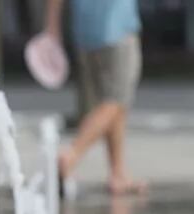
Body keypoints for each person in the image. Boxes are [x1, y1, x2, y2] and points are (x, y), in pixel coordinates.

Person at [45, 0, 146, 195]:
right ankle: (71, 155)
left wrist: (52, 27)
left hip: (85, 34)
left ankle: (117, 174)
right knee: (116, 101)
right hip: (118, 29)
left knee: (111, 103)